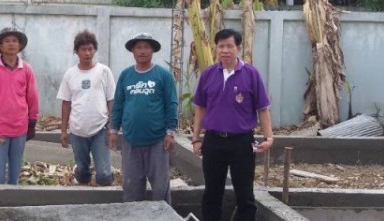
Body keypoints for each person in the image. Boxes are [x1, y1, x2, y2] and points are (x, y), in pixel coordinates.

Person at [191, 29, 274, 221]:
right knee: (212, 193)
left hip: (242, 143)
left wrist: (269, 137)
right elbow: (201, 108)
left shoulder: (251, 74)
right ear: (215, 48)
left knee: (245, 194)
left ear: (238, 48)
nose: (225, 50)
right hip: (213, 142)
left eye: (229, 46)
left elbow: (263, 108)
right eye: (221, 46)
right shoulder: (208, 74)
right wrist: (196, 139)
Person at [110, 32, 178, 203]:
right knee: (132, 187)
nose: (142, 51)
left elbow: (171, 104)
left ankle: (163, 216)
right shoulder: (125, 75)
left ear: (152, 50)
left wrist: (170, 132)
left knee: (160, 188)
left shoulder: (163, 75)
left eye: (146, 47)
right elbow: (118, 104)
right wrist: (113, 129)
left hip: (157, 141)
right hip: (131, 140)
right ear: (132, 51)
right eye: (138, 47)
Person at [0, 27, 39, 185]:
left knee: (14, 176)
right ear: (0, 45)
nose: (11, 44)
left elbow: (32, 97)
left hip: (19, 129)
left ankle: (11, 206)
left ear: (19, 45)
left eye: (15, 41)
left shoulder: (26, 69)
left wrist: (32, 123)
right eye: (7, 41)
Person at [57, 30, 115, 186]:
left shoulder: (104, 71)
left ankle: (106, 203)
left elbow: (111, 100)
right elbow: (66, 103)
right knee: (82, 171)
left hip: (100, 129)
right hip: (77, 130)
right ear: (76, 51)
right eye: (83, 49)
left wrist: (112, 126)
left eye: (90, 49)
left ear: (95, 50)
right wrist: (63, 130)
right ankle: (83, 195)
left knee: (103, 174)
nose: (87, 53)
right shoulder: (70, 74)